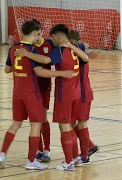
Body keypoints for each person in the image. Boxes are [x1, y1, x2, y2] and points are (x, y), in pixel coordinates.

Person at [0, 20, 73, 170]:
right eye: (38, 34)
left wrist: (21, 69)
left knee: (16, 123)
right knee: (36, 124)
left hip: (17, 92)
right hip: (32, 92)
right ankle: (31, 160)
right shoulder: (32, 51)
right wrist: (61, 73)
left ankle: (2, 154)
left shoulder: (13, 49)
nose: (40, 37)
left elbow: (7, 69)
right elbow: (39, 71)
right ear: (34, 33)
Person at [15, 24, 89, 171]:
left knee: (64, 127)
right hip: (76, 94)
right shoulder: (75, 49)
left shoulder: (60, 51)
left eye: (53, 36)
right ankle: (76, 158)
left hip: (65, 95)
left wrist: (27, 54)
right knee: (71, 126)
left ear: (59, 36)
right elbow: (86, 54)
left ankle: (68, 162)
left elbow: (45, 61)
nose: (52, 39)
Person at [68, 30, 100, 166]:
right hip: (80, 92)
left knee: (79, 123)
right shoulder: (78, 51)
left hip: (82, 93)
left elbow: (82, 46)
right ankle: (90, 146)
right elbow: (83, 45)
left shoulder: (78, 53)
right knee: (71, 123)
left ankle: (85, 156)